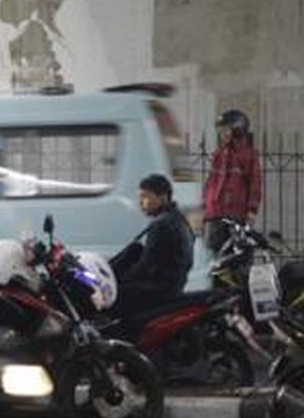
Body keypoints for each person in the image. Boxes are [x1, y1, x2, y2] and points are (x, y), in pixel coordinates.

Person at [111, 174, 194, 316]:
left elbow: (145, 266)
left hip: (160, 290)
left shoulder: (161, 225)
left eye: (145, 197)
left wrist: (117, 284)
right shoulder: (179, 219)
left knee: (115, 297)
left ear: (163, 198)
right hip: (174, 286)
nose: (141, 202)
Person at [203, 109, 263, 254]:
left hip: (236, 215)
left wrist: (251, 210)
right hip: (216, 216)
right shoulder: (219, 154)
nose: (222, 134)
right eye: (220, 130)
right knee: (213, 256)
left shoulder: (248, 154)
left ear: (238, 129)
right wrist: (206, 208)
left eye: (225, 130)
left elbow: (255, 184)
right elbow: (211, 184)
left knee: (236, 254)